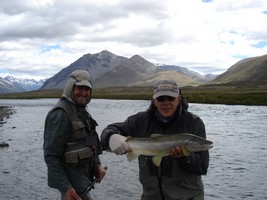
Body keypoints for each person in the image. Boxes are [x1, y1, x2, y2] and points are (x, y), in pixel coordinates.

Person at [101, 79, 209, 200]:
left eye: (171, 98)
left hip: (188, 197)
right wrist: (111, 137)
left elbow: (203, 167)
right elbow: (110, 129)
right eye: (161, 98)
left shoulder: (194, 123)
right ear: (154, 101)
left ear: (179, 99)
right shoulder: (140, 121)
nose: (166, 103)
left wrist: (185, 157)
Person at [43, 70, 106, 200]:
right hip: (72, 188)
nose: (84, 93)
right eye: (80, 88)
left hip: (82, 182)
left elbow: (90, 141)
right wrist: (66, 188)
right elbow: (51, 156)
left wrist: (97, 165)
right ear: (70, 88)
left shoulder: (82, 111)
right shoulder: (60, 114)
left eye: (87, 89)